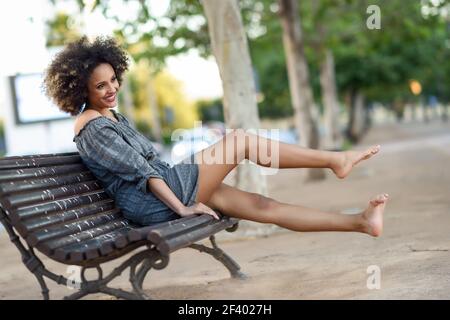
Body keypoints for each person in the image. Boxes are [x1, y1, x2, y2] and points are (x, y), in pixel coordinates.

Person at [43, 36, 388, 237]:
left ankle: (359, 222)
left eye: (113, 79)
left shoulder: (109, 115)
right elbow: (143, 173)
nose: (111, 88)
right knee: (239, 142)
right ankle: (334, 160)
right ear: (80, 89)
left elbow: (151, 168)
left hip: (169, 184)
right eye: (100, 86)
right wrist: (183, 209)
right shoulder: (91, 126)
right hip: (155, 201)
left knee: (261, 205)